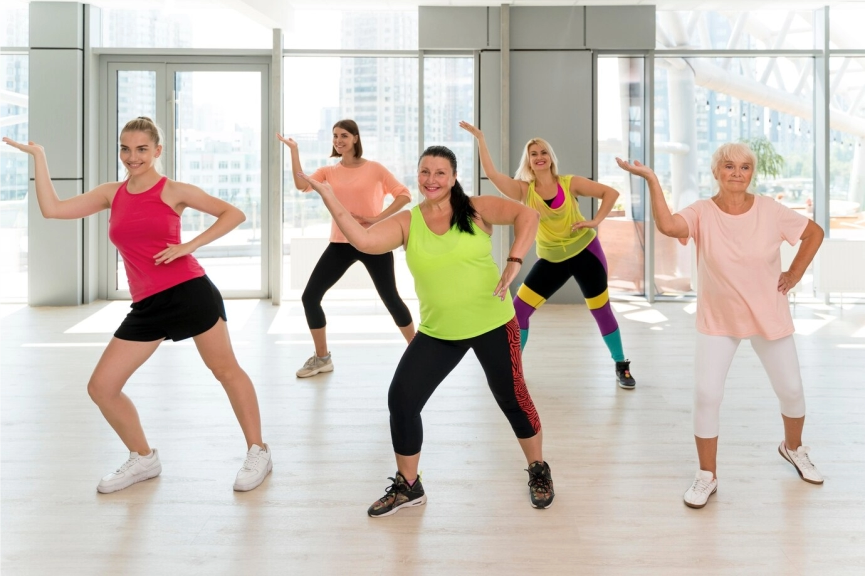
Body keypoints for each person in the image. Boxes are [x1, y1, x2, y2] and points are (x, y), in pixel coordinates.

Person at [3, 117, 272, 493]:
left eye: (142, 149)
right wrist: (39, 157)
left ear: (157, 151)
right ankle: (143, 458)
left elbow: (234, 213)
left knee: (226, 371)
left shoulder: (174, 190)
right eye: (125, 149)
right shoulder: (111, 193)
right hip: (147, 305)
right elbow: (53, 209)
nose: (132, 157)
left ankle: (258, 450)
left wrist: (188, 245)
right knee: (102, 387)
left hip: (188, 291)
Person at [298, 145, 554, 516]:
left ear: (453, 178)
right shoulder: (408, 221)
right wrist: (328, 195)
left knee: (512, 398)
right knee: (402, 399)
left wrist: (515, 259)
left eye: (439, 173)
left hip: (493, 323)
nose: (431, 180)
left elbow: (528, 215)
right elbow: (364, 241)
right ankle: (409, 486)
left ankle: (538, 469)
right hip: (438, 331)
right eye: (424, 172)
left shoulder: (477, 208)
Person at [616, 143, 824, 509]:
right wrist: (650, 178)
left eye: (745, 167)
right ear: (716, 172)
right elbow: (667, 225)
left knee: (791, 389)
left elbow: (814, 233)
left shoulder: (770, 211)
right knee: (707, 395)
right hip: (719, 319)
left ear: (751, 174)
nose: (737, 173)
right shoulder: (701, 212)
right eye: (729, 166)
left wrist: (794, 273)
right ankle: (707, 475)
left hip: (768, 314)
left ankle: (793, 448)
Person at [459, 122, 636, 389]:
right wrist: (481, 138)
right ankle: (514, 370)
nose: (539, 157)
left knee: (600, 310)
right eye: (533, 154)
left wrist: (595, 221)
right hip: (552, 260)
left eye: (543, 152)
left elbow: (610, 193)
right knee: (518, 311)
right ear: (528, 162)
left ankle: (621, 364)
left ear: (550, 157)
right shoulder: (524, 191)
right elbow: (493, 175)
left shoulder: (569, 182)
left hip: (586, 253)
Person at [278, 120, 415, 378]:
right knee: (310, 297)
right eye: (334, 136)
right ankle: (322, 359)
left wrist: (378, 219)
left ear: (355, 138)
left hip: (373, 241)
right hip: (341, 242)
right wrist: (293, 150)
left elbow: (404, 194)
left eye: (343, 135)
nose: (338, 140)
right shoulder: (329, 172)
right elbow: (301, 184)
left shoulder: (374, 169)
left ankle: (417, 351)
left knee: (391, 298)